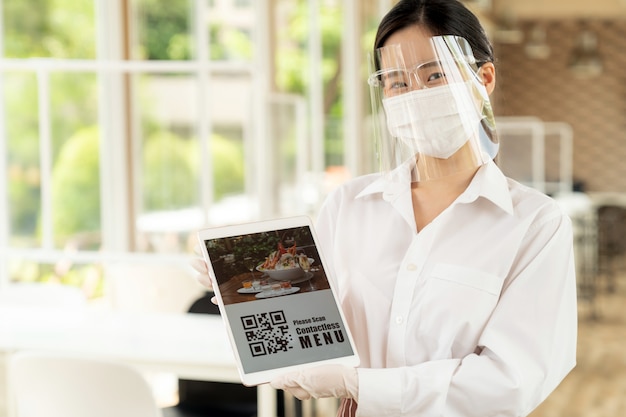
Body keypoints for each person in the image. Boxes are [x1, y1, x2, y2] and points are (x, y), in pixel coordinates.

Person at [192, 0, 578, 416]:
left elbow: (511, 382)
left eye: (435, 74)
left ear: (483, 79)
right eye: (397, 82)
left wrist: (359, 383)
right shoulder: (349, 206)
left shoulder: (536, 225)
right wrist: (242, 284)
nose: (417, 95)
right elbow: (311, 322)